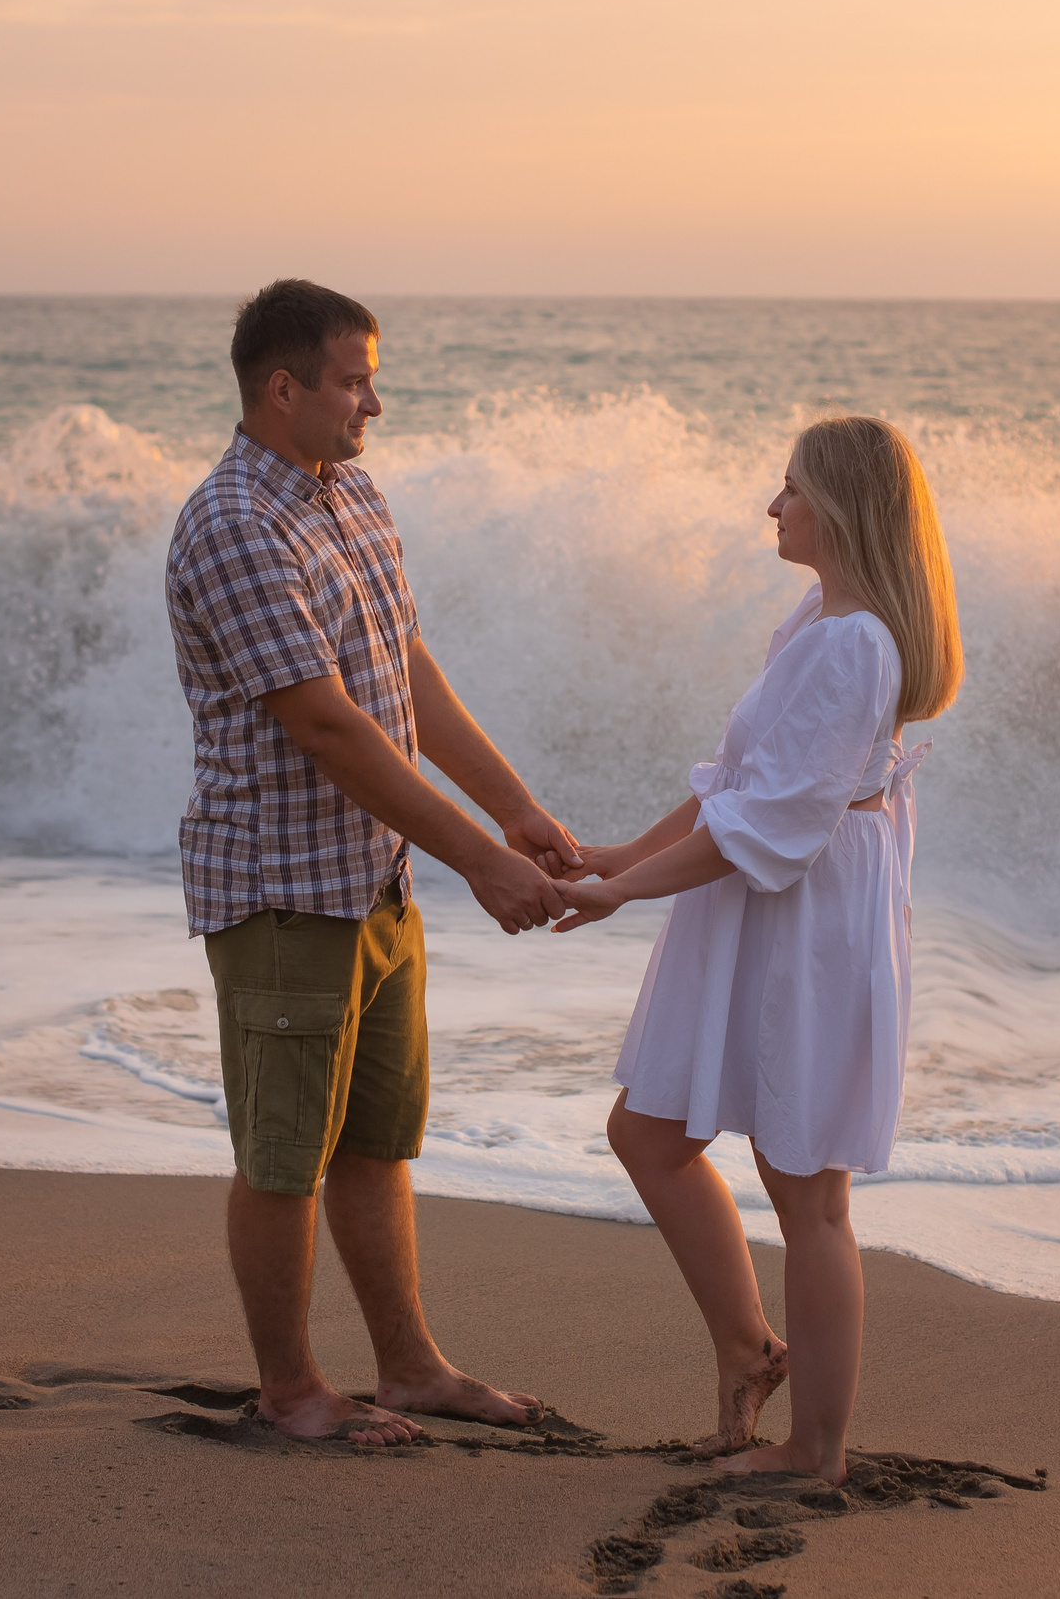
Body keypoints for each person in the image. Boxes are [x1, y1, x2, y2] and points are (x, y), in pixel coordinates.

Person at [163, 278, 582, 1446]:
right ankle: (292, 1386)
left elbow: (402, 666)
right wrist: (476, 865)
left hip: (373, 881)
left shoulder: (349, 496)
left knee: (376, 1138)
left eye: (371, 377)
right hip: (284, 888)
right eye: (353, 380)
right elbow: (327, 721)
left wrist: (515, 814)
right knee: (283, 1156)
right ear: (281, 387)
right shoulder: (235, 522)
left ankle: (408, 1366)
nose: (374, 402)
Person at [549, 415, 963, 1485]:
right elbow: (732, 782)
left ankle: (815, 1449)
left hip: (807, 923)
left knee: (808, 1191)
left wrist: (622, 890)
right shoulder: (814, 619)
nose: (770, 506)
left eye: (788, 488)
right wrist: (617, 854)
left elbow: (764, 825)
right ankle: (748, 1346)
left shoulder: (855, 640)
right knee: (648, 1128)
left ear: (842, 508)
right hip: (763, 904)